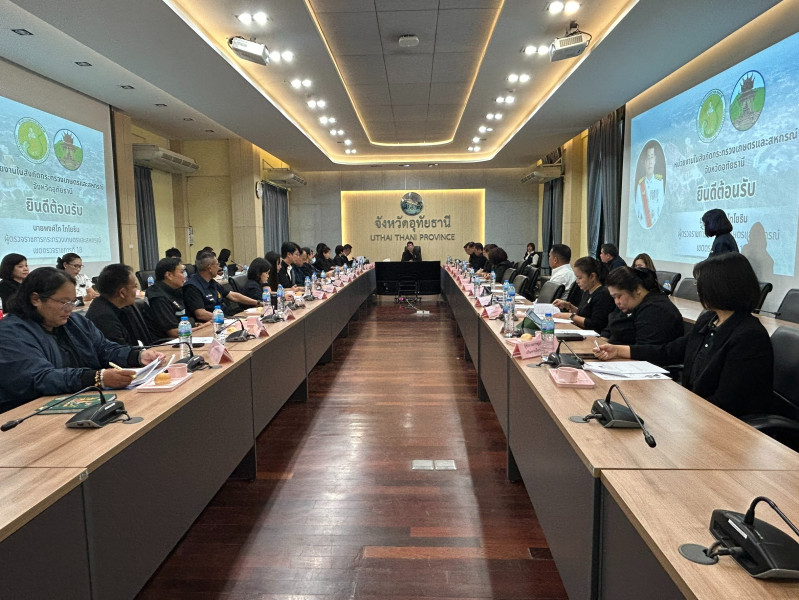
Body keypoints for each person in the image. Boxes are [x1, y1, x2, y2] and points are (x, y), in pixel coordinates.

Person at [594, 253, 772, 418]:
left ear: (722, 288)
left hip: (720, 422)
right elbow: (669, 351)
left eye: (702, 285)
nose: (699, 291)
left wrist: (678, 411)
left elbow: (727, 402)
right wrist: (618, 350)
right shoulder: (709, 320)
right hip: (694, 409)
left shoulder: (749, 336)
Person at [0, 267, 164, 412]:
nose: (70, 309)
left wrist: (137, 356)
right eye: (64, 302)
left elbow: (105, 349)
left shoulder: (74, 322)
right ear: (36, 299)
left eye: (72, 302)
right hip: (29, 412)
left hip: (79, 399)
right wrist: (96, 378)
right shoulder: (10, 333)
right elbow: (40, 378)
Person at [600, 266, 684, 345]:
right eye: (614, 297)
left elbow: (644, 350)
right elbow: (613, 323)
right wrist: (604, 338)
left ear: (637, 289)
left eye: (618, 296)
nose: (616, 302)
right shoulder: (630, 304)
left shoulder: (656, 310)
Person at [86, 263, 153, 346]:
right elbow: (120, 351)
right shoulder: (103, 317)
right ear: (122, 293)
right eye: (135, 286)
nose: (137, 290)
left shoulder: (124, 306)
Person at [184, 252, 257, 321]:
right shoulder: (192, 287)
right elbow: (201, 314)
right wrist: (225, 319)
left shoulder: (211, 282)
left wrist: (257, 302)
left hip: (224, 318)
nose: (219, 268)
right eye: (217, 264)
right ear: (209, 268)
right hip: (213, 323)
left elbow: (233, 296)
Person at [553, 257, 615, 332]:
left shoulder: (603, 294)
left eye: (580, 278)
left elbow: (595, 324)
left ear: (592, 276)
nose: (577, 281)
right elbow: (584, 314)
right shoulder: (587, 291)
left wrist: (570, 316)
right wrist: (569, 306)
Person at [145, 257, 193, 340]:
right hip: (167, 343)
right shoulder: (158, 297)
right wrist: (202, 327)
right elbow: (173, 332)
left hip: (183, 337)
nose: (184, 276)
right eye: (181, 272)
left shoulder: (176, 290)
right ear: (169, 275)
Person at [634, 141, 665, 229]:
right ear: (644, 162)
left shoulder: (660, 182)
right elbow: (638, 212)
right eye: (648, 158)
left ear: (655, 160)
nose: (650, 162)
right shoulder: (640, 186)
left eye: (652, 157)